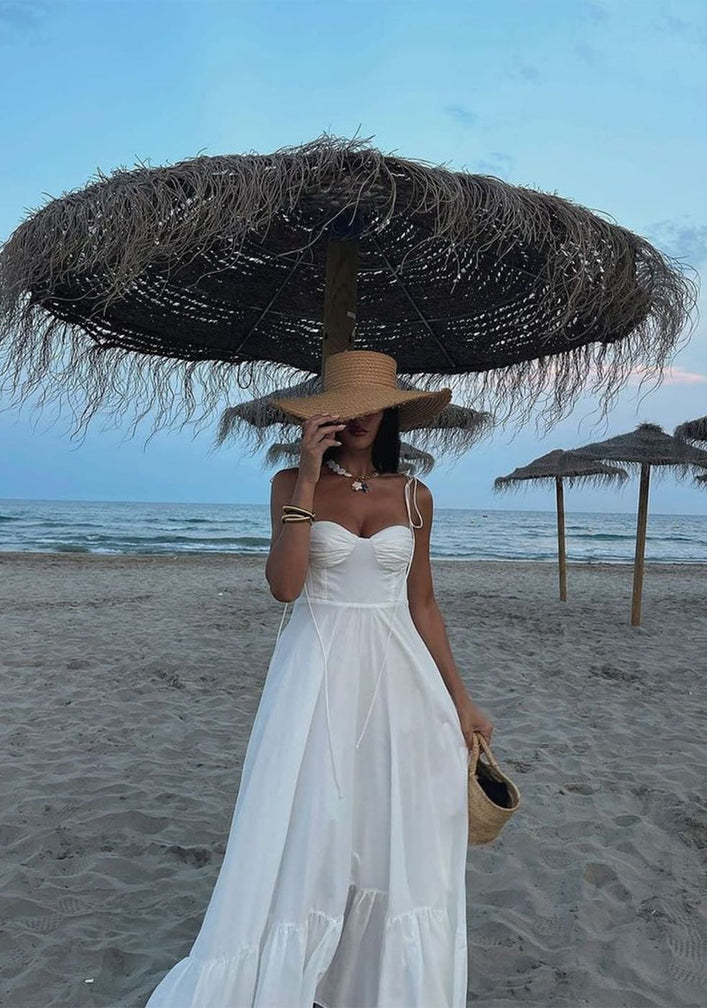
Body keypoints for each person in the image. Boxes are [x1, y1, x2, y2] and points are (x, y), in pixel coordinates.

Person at [145, 349, 494, 1008]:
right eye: (348, 406)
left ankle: (373, 983)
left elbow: (422, 603)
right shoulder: (287, 483)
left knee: (393, 830)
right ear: (322, 414)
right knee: (308, 821)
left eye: (373, 407)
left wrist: (463, 700)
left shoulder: (416, 497)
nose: (361, 419)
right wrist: (308, 478)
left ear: (390, 412)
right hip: (315, 675)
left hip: (401, 682)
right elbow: (285, 587)